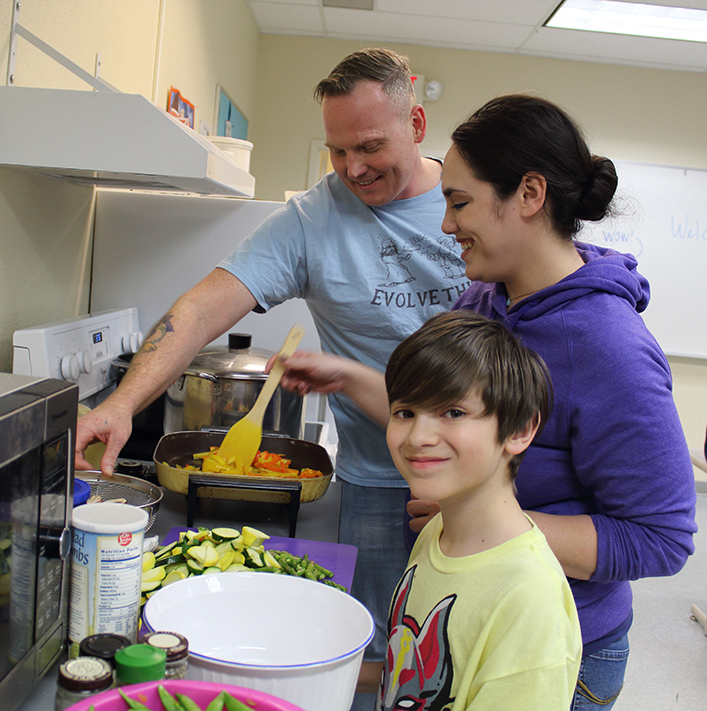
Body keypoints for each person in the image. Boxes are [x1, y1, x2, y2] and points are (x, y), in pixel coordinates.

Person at [74, 48, 468, 708]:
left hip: (483, 479)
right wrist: (122, 401)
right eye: (336, 151)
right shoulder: (313, 218)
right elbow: (201, 308)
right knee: (377, 659)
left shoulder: (468, 206)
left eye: (370, 146)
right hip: (377, 482)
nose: (352, 168)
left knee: (466, 655)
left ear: (417, 123)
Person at [276, 94, 697, 709]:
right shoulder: (486, 299)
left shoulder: (609, 347)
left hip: (556, 645)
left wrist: (489, 525)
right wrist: (346, 376)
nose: (446, 224)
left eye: (459, 201)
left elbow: (661, 539)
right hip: (461, 608)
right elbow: (437, 411)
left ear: (528, 195)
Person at [354, 309, 581, 710]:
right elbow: (406, 676)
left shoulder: (529, 600)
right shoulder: (437, 531)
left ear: (520, 430)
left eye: (453, 413)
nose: (418, 437)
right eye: (405, 412)